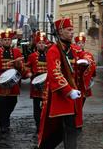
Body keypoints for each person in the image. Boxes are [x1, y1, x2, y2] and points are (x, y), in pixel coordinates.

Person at [38, 18, 83, 149]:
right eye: (69, 30)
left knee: (65, 129)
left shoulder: (71, 49)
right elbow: (55, 74)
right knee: (68, 129)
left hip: (72, 97)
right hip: (60, 97)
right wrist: (69, 91)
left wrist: (84, 65)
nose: (72, 33)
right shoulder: (54, 50)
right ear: (61, 31)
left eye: (72, 30)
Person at [0, 29, 25, 133]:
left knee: (12, 102)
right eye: (5, 39)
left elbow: (22, 68)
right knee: (1, 104)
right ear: (1, 41)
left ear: (11, 41)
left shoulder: (17, 52)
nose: (7, 41)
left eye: (9, 39)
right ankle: (4, 124)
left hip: (12, 83)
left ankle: (4, 118)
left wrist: (18, 65)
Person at [24, 33, 48, 132]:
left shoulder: (50, 55)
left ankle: (45, 125)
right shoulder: (32, 56)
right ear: (36, 45)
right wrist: (29, 73)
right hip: (36, 85)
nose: (41, 45)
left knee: (46, 107)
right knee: (37, 108)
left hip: (47, 85)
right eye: (39, 43)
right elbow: (26, 67)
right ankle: (38, 125)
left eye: (43, 43)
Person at [74, 32, 96, 105]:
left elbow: (93, 67)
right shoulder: (73, 53)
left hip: (84, 82)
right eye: (79, 43)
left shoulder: (88, 54)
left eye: (82, 43)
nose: (81, 45)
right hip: (75, 81)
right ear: (76, 44)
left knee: (82, 102)